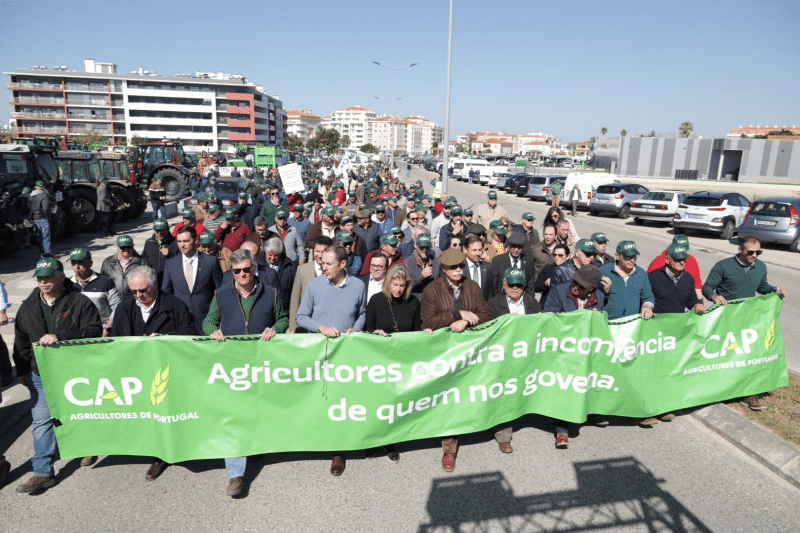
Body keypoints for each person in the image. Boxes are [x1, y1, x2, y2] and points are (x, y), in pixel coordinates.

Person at [202, 249, 287, 496]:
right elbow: (208, 321)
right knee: (235, 416)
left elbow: (283, 319)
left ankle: (258, 444)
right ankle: (236, 475)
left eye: (247, 270)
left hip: (263, 365)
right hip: (233, 365)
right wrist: (212, 332)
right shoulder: (222, 294)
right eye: (237, 270)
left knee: (260, 407)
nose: (242, 274)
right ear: (232, 271)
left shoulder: (271, 293)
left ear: (254, 269)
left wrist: (275, 329)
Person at [13, 258, 102, 494]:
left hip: (74, 373)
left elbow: (94, 332)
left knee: (78, 414)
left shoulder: (79, 302)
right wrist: (22, 369)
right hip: (40, 374)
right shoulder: (28, 306)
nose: (43, 281)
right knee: (41, 420)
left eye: (48, 277)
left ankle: (86, 445)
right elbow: (21, 339)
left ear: (61, 277)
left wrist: (60, 336)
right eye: (39, 277)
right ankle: (43, 472)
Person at [108, 266, 195, 480]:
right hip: (136, 373)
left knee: (164, 414)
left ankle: (162, 455)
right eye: (133, 291)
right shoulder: (124, 308)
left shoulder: (176, 306)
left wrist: (165, 337)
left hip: (165, 373)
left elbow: (191, 334)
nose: (138, 296)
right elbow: (116, 340)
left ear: (155, 285)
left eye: (143, 291)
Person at [296, 246, 366, 476]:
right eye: (322, 263)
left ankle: (338, 451)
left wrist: (356, 329)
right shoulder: (315, 285)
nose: (323, 267)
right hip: (319, 351)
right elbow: (301, 316)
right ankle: (316, 439)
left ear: (343, 264)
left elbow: (362, 312)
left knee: (342, 400)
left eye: (328, 264)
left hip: (346, 353)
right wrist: (321, 327)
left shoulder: (358, 285)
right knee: (321, 398)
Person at [421, 248, 492, 472]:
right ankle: (449, 448)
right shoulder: (432, 289)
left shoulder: (472, 286)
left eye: (461, 266)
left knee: (470, 394)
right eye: (453, 267)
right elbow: (429, 321)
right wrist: (457, 315)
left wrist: (468, 322)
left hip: (470, 352)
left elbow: (486, 315)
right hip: (444, 354)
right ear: (443, 269)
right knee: (448, 400)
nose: (458, 270)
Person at [702, 236, 788, 411]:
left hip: (748, 320)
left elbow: (762, 287)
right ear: (740, 250)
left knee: (748, 356)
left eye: (758, 252)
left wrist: (775, 290)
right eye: (751, 252)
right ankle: (721, 390)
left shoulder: (760, 267)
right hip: (725, 319)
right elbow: (708, 287)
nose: (755, 255)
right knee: (725, 356)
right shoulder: (723, 266)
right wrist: (714, 296)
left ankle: (749, 394)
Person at [543, 265, 605, 444]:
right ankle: (561, 429)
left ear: (592, 288)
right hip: (563, 348)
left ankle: (589, 413)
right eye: (575, 282)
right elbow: (549, 316)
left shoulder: (599, 296)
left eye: (582, 286)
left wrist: (597, 316)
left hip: (586, 349)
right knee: (564, 386)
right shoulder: (559, 290)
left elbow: (602, 322)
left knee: (585, 384)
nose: (576, 287)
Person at [487, 267, 542, 452]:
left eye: (519, 284)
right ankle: (503, 435)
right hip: (503, 357)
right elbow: (488, 332)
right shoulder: (494, 304)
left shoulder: (532, 303)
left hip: (526, 355)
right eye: (511, 284)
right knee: (505, 393)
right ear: (504, 284)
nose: (515, 288)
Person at [162, 226, 223, 334]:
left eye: (186, 241)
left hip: (206, 321)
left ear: (196, 240)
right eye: (179, 241)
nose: (182, 245)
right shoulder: (171, 264)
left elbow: (221, 291)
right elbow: (166, 293)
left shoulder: (210, 262)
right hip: (181, 323)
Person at [68, 248, 120, 338]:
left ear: (90, 263)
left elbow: (117, 307)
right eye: (73, 263)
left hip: (103, 332)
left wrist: (107, 329)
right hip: (78, 334)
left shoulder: (105, 282)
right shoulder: (68, 285)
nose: (76, 267)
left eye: (80, 263)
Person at [289, 236, 332, 333]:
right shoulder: (302, 270)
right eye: (317, 251)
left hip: (328, 327)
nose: (320, 255)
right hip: (306, 327)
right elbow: (295, 300)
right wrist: (293, 327)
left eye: (323, 251)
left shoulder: (335, 271)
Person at [648, 234, 704, 301]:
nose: (681, 262)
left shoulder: (691, 260)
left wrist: (700, 302)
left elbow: (697, 283)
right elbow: (647, 285)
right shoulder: (659, 261)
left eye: (683, 249)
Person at [141, 219, 179, 286]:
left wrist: (170, 254)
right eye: (157, 231)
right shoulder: (149, 242)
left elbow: (181, 262)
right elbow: (144, 259)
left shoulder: (175, 243)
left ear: (168, 230)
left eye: (162, 231)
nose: (160, 233)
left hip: (169, 282)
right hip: (152, 281)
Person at [403, 233, 440, 301]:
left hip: (433, 302)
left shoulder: (436, 261)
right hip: (415, 302)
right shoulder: (407, 263)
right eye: (422, 247)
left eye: (427, 247)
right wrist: (421, 276)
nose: (425, 249)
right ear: (415, 245)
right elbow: (405, 286)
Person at [263, 236, 297, 310]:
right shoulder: (259, 265)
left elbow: (294, 291)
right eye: (270, 255)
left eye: (276, 255)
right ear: (265, 252)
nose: (272, 258)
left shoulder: (290, 266)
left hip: (284, 308)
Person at [535, 243, 570, 307]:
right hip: (548, 305)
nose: (556, 257)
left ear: (567, 257)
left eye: (560, 255)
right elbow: (536, 287)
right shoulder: (548, 268)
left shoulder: (572, 270)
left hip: (565, 305)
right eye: (555, 255)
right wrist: (545, 284)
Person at [462, 234, 494, 302]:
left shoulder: (488, 269)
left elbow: (490, 294)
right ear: (465, 250)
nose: (478, 253)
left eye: (479, 250)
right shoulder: (460, 268)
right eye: (474, 250)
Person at [29, 181, 53, 257]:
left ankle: (41, 253)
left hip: (34, 218)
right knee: (46, 236)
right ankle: (47, 253)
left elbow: (28, 206)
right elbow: (46, 208)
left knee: (39, 236)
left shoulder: (30, 195)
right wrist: (47, 217)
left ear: (35, 187)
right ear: (43, 188)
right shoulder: (44, 195)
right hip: (42, 218)